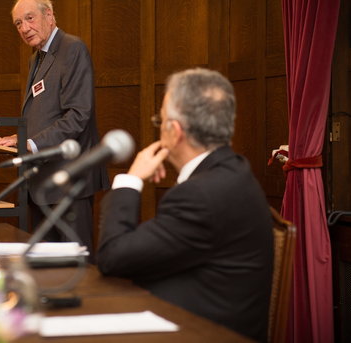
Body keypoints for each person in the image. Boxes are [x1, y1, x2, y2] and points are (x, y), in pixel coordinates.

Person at [97, 68, 273, 342]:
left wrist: (130, 181)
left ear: (174, 131)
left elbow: (113, 257)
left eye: (160, 120)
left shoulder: (201, 195)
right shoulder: (232, 170)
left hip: (204, 332)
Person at [0, 0, 109, 254]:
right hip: (42, 180)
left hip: (68, 178)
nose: (24, 28)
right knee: (46, 265)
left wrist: (32, 143)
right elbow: (44, 114)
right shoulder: (36, 57)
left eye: (29, 19)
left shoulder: (72, 48)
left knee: (76, 266)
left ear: (49, 16)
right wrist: (17, 139)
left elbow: (78, 114)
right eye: (18, 23)